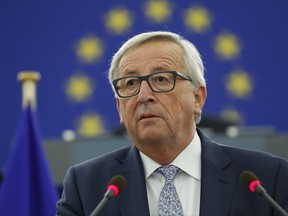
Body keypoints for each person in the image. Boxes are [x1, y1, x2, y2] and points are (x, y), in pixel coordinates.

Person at [56, 31, 288, 216]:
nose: (143, 95)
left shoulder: (266, 180)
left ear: (197, 98)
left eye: (161, 79)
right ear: (120, 109)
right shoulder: (87, 186)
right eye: (130, 84)